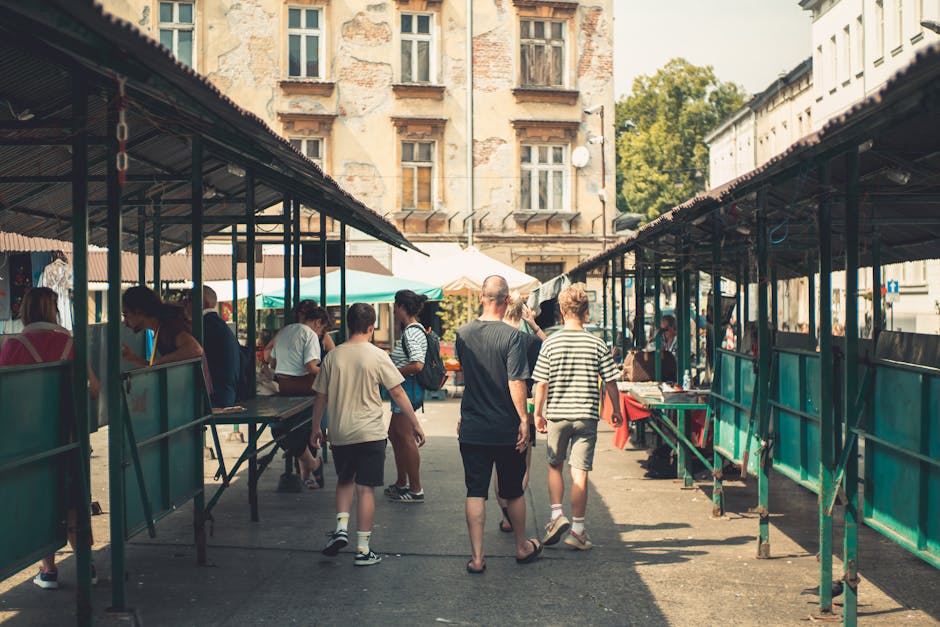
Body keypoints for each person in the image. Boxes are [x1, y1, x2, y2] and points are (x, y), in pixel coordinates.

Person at [311, 303, 425, 566]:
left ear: (349, 325)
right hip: (370, 433)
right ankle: (363, 550)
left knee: (344, 480)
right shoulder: (377, 355)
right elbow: (397, 392)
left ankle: (341, 528)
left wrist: (316, 428)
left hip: (340, 433)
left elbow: (321, 397)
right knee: (366, 490)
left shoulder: (333, 356)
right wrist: (415, 423)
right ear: (372, 327)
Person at [0, 287, 99, 589]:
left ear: (25, 311)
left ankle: (48, 570)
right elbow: (93, 388)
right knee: (72, 499)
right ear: (54, 310)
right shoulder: (70, 343)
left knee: (35, 498)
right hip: (67, 437)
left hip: (27, 442)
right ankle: (87, 567)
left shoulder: (12, 346)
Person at [456, 275, 542, 574]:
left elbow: (469, 377)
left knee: (475, 491)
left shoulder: (463, 333)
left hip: (473, 426)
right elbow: (516, 379)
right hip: (506, 427)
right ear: (507, 301)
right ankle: (521, 546)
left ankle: (477, 559)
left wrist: (463, 412)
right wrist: (523, 419)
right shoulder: (514, 337)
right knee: (513, 491)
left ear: (482, 297)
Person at [532, 283, 622, 551]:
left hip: (558, 415)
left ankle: (556, 516)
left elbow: (542, 383)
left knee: (554, 466)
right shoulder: (596, 343)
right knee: (580, 472)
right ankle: (578, 530)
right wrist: (616, 410)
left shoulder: (551, 343)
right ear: (585, 311)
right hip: (586, 415)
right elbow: (610, 382)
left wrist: (538, 413)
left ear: (561, 310)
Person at [494, 296, 546, 533]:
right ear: (522, 313)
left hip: (495, 408)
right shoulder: (529, 341)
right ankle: (515, 509)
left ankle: (506, 516)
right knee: (522, 466)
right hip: (523, 407)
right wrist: (534, 325)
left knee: (498, 467)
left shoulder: (494, 338)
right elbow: (549, 349)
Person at [269, 300, 330, 489]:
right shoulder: (310, 334)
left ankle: (307, 471)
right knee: (308, 429)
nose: (321, 333)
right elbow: (310, 367)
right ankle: (313, 465)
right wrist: (330, 372)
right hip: (305, 389)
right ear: (318, 322)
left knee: (281, 430)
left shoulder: (285, 331)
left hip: (284, 388)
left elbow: (271, 363)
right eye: (322, 329)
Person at [384, 290, 428, 503]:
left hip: (407, 390)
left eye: (395, 305)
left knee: (405, 437)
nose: (394, 308)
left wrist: (392, 372)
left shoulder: (411, 332)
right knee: (394, 433)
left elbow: (418, 364)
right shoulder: (412, 330)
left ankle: (415, 489)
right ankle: (402, 482)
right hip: (406, 389)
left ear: (401, 307)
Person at [121, 285, 204, 367]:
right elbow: (154, 366)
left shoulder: (169, 327)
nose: (125, 322)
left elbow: (195, 350)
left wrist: (158, 362)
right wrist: (132, 357)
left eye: (126, 315)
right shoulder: (161, 328)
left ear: (139, 312)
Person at [187, 286, 240, 408]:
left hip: (215, 399)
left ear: (204, 302)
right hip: (228, 395)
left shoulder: (204, 327)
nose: (185, 304)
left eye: (189, 299)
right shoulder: (218, 325)